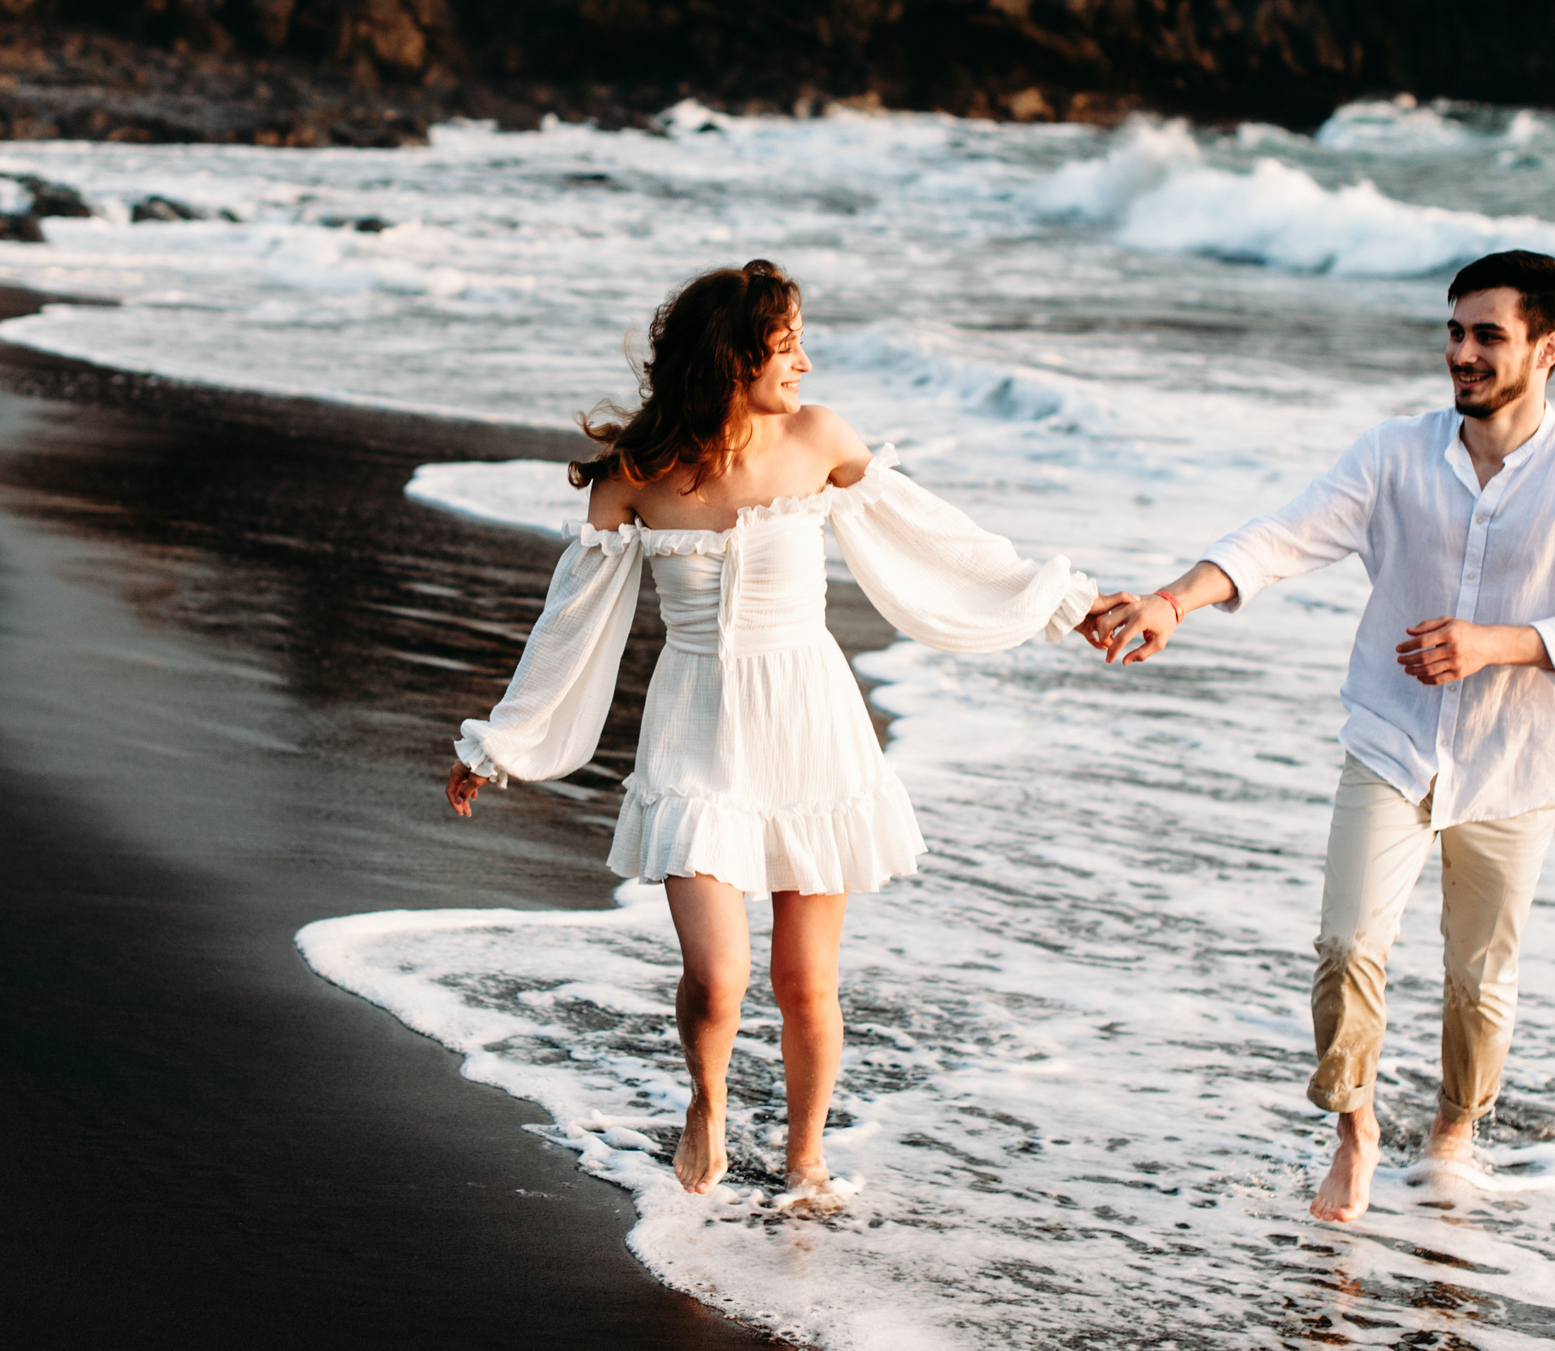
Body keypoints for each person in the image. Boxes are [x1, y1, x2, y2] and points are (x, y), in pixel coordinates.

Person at [446, 260, 1111, 1206]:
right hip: (696, 731)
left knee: (806, 983)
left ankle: (806, 1160)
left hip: (811, 723)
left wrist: (1065, 602)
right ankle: (708, 1102)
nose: (804, 357)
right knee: (718, 980)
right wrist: (501, 744)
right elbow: (573, 623)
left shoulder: (820, 440)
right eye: (785, 339)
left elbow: (938, 539)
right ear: (730, 354)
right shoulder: (637, 473)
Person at [1088, 250, 1555, 1224]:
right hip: (1390, 742)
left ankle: (1452, 1135)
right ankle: (1353, 1128)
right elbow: (1283, 534)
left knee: (1479, 982)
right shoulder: (1394, 453)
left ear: (1546, 349)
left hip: (1515, 768)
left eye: (1487, 336)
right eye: (1454, 332)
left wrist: (1496, 645)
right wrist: (1178, 598)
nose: (1460, 354)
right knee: (1348, 942)